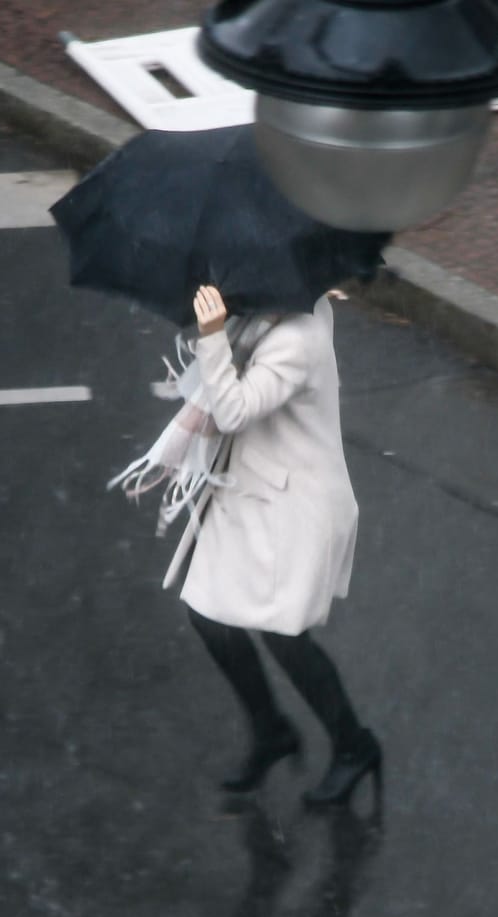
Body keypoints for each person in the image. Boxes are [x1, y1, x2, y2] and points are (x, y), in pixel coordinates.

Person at [112, 284, 380, 808]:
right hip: (250, 496)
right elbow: (214, 394)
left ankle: (354, 745)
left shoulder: (297, 339)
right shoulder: (262, 319)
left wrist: (213, 337)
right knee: (209, 615)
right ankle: (271, 728)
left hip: (294, 507)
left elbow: (232, 409)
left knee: (284, 635)